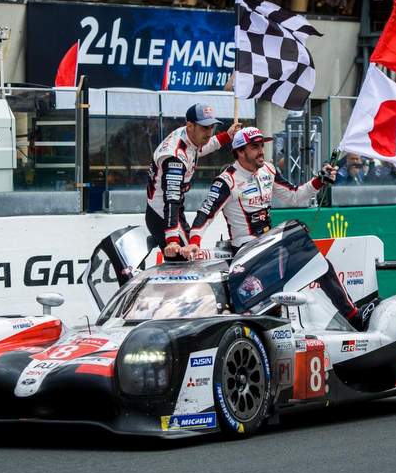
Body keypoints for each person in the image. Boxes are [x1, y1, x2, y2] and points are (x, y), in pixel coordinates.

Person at [181, 127, 371, 331]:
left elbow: (294, 195)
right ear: (240, 151)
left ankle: (354, 316)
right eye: (255, 147)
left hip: (271, 246)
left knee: (320, 264)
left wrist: (318, 180)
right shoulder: (227, 180)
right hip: (245, 252)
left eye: (262, 145)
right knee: (271, 303)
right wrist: (194, 242)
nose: (261, 150)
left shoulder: (268, 170)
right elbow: (205, 214)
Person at [145, 103, 240, 260]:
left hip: (170, 211)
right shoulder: (174, 157)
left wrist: (227, 136)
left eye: (211, 127)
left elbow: (203, 147)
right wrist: (172, 240)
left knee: (190, 256)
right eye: (205, 128)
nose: (209, 132)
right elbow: (171, 199)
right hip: (163, 214)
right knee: (188, 260)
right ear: (190, 126)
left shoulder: (189, 138)